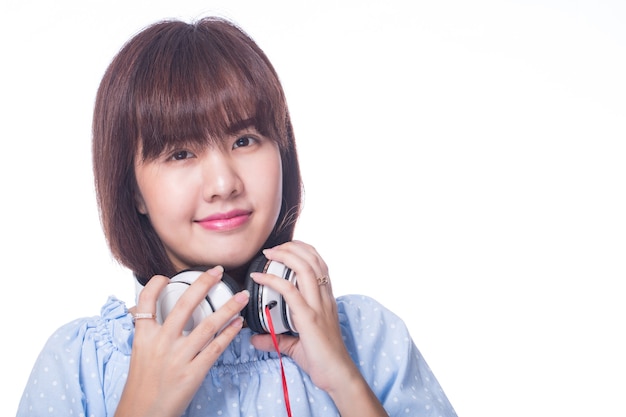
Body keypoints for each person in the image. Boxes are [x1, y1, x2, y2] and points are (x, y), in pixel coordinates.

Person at [16, 16, 457, 417]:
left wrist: (345, 383)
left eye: (245, 140)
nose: (224, 184)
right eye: (180, 153)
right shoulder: (81, 361)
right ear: (134, 192)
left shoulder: (368, 336)